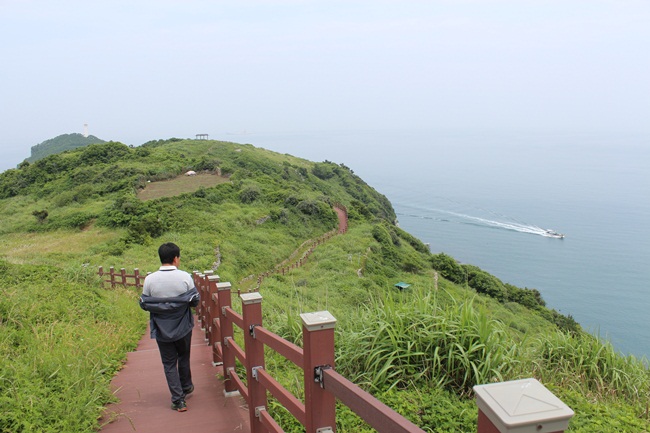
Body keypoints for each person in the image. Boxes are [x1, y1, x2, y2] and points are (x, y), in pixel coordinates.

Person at [139, 242, 200, 412]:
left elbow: (144, 303)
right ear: (175, 258)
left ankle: (178, 400)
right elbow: (195, 300)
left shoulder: (150, 279)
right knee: (183, 356)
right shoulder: (185, 277)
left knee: (169, 363)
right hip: (183, 326)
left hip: (161, 328)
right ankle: (186, 386)